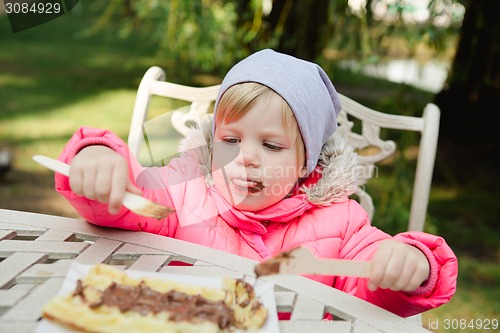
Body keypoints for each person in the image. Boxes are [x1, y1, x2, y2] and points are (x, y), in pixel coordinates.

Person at [55, 49, 457, 317]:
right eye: (230, 140)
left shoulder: (342, 222)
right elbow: (130, 201)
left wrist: (414, 264)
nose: (245, 157)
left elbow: (370, 285)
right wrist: (97, 159)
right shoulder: (185, 190)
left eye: (270, 144)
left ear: (305, 162)